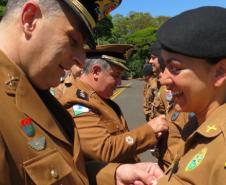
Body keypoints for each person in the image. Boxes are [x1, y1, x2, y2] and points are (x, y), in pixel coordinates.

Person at [0, 0, 156, 185]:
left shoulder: (36, 91)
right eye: (73, 41)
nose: (81, 61)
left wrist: (114, 174)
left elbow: (67, 170)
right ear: (30, 19)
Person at [147, 6, 226, 184]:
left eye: (175, 68)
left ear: (220, 72)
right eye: (165, 67)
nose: (164, 80)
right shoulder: (196, 126)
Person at [59, 44, 168, 163]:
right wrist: (149, 131)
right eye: (116, 75)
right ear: (96, 71)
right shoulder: (77, 102)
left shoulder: (100, 98)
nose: (119, 82)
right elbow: (103, 150)